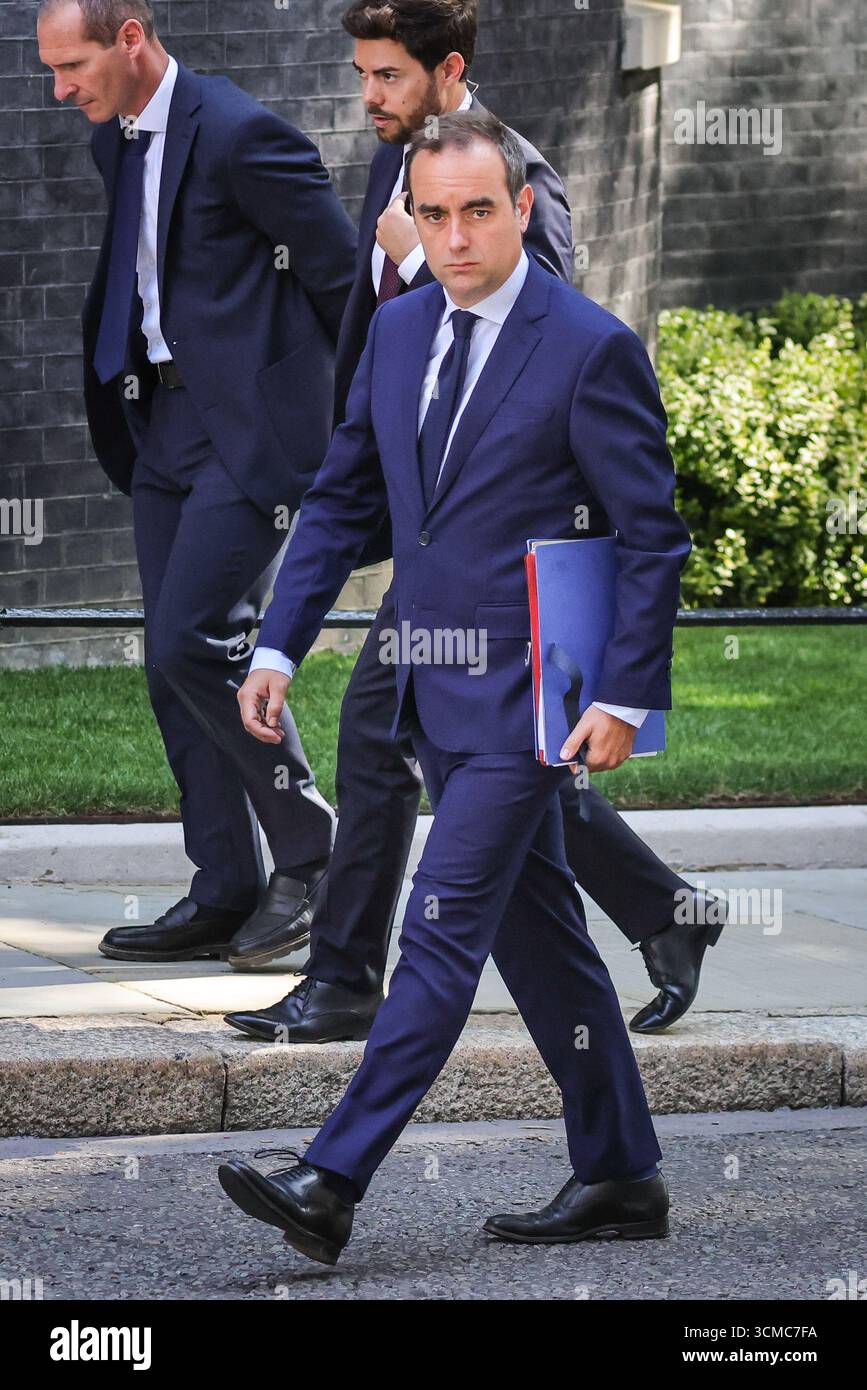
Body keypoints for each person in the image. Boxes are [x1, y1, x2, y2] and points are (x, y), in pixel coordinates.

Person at [219, 112, 692, 1265]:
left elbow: (651, 535)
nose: (456, 236)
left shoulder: (587, 347)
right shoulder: (398, 331)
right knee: (544, 944)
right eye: (432, 215)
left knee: (435, 928)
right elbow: (343, 499)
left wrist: (624, 695)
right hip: (432, 697)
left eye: (479, 210)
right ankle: (622, 1173)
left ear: (521, 207)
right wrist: (277, 647)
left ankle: (332, 1179)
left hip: (533, 704)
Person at [226, 0, 724, 1035]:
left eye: (390, 76)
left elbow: (536, 326)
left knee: (432, 751)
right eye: (362, 74)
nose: (370, 95)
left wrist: (417, 258)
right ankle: (662, 914)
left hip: (507, 555)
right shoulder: (399, 162)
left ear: (448, 71)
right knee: (475, 765)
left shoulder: (514, 174)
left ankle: (350, 983)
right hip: (423, 515)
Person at [37, 0, 358, 963]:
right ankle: (223, 886)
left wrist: (354, 429)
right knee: (168, 666)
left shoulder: (242, 134)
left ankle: (315, 855)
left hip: (252, 435)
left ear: (131, 37)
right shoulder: (116, 138)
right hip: (164, 423)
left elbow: (341, 281)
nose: (60, 89)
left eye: (73, 65)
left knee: (195, 641)